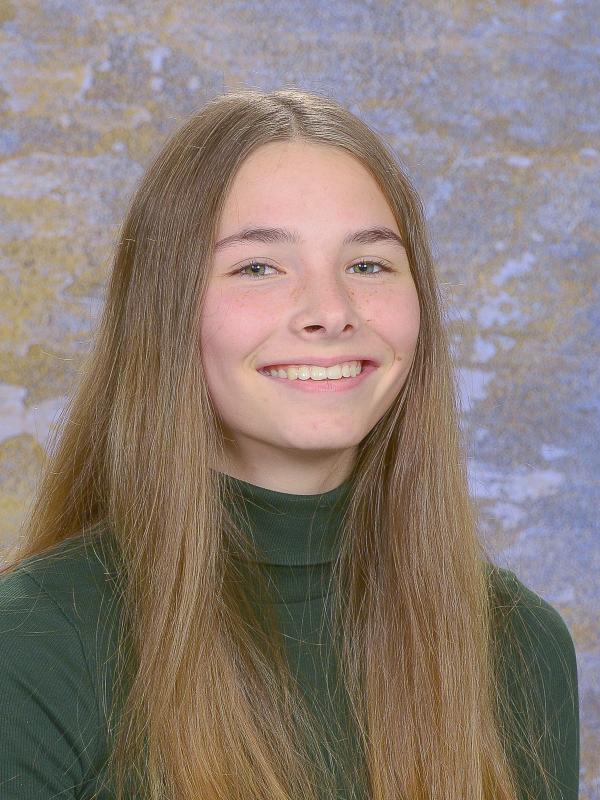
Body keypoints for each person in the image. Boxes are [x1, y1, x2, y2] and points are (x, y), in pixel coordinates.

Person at [0, 88, 579, 800]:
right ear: (166, 309)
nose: (330, 312)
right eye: (258, 267)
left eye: (367, 265)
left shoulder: (520, 647)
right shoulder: (31, 647)